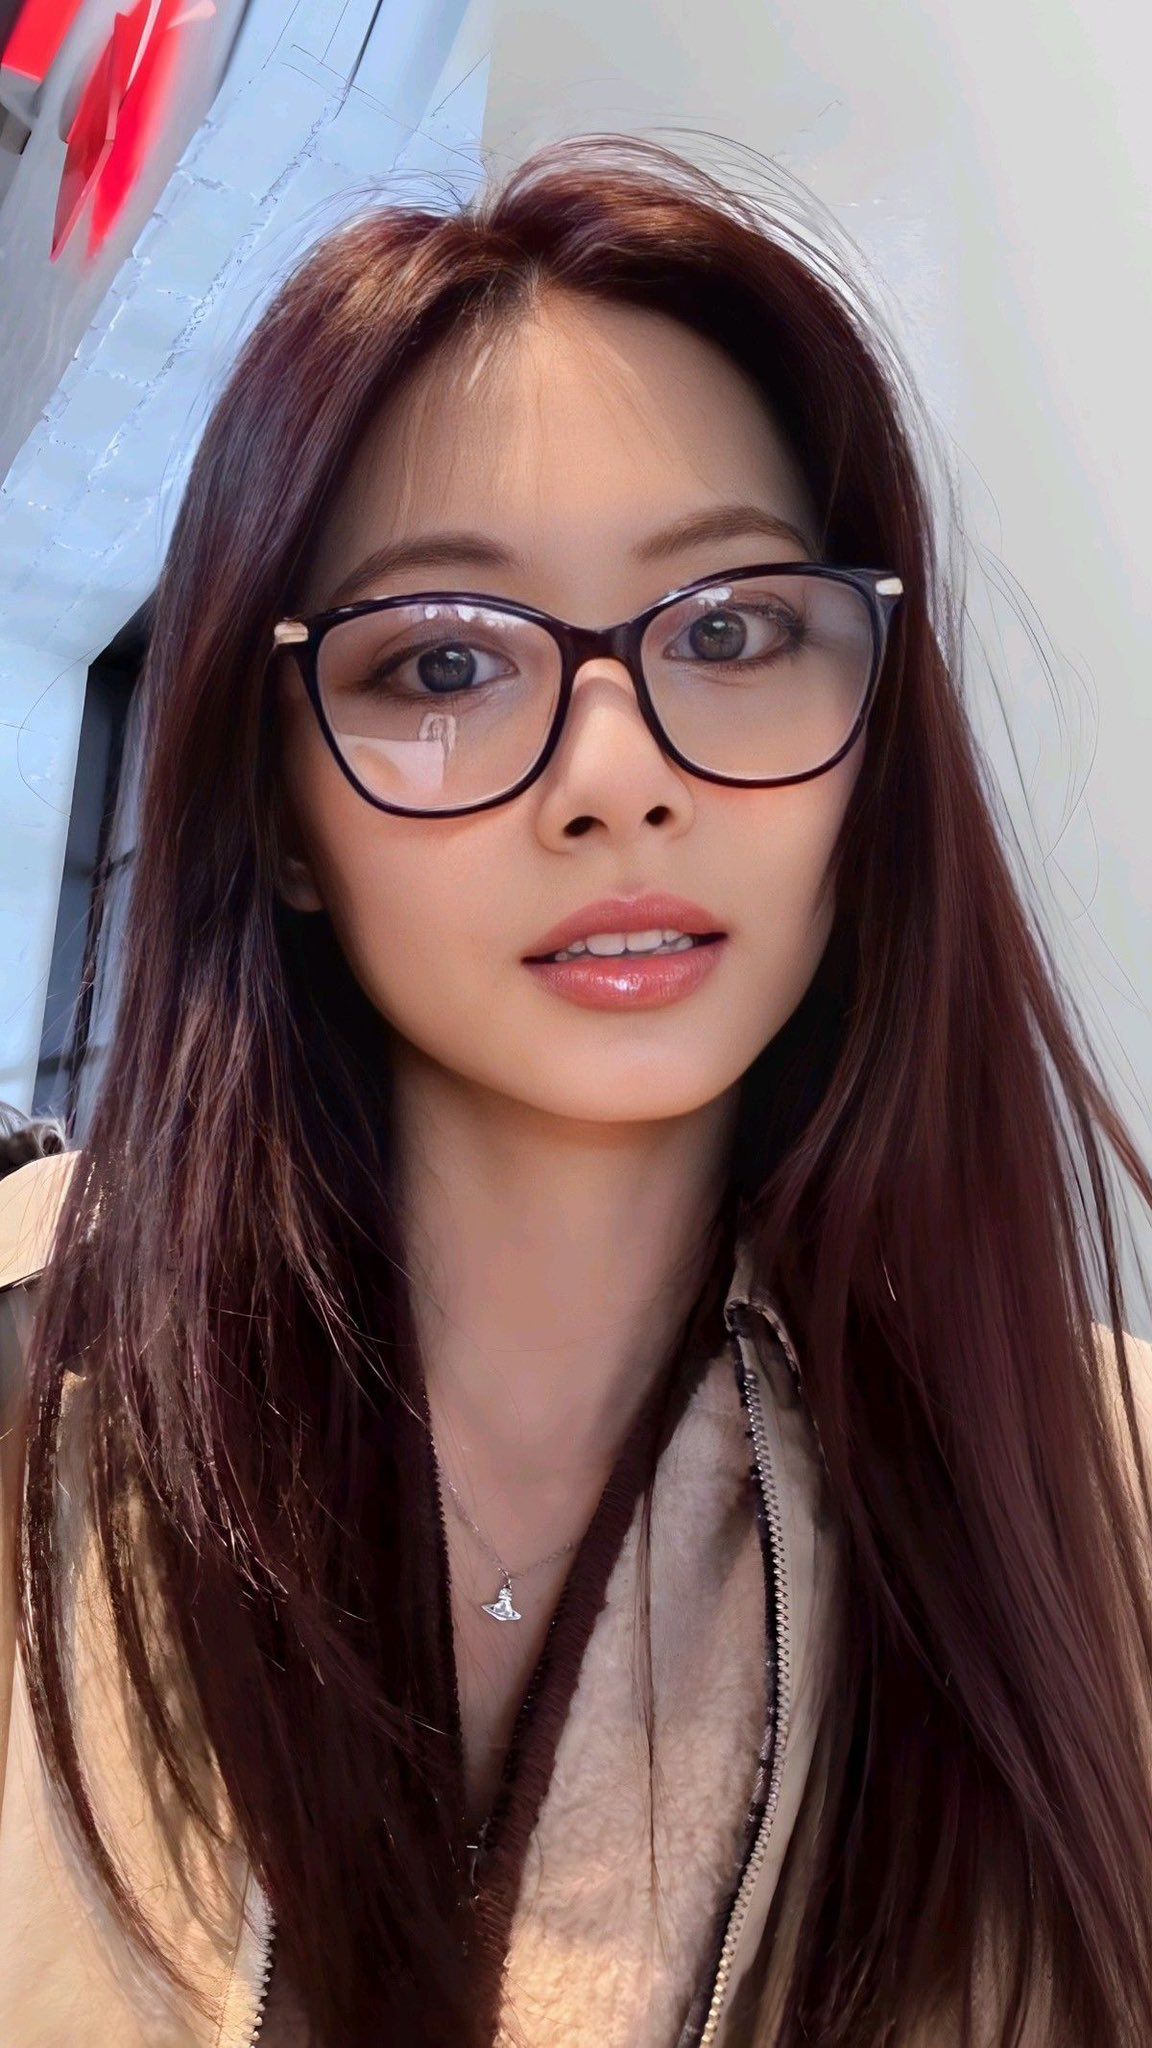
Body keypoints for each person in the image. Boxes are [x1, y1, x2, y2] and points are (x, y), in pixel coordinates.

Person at [1, 131, 1151, 2048]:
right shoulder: (34, 1369)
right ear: (277, 813)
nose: (619, 778)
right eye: (446, 662)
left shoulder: (1095, 1500)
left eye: (731, 631)